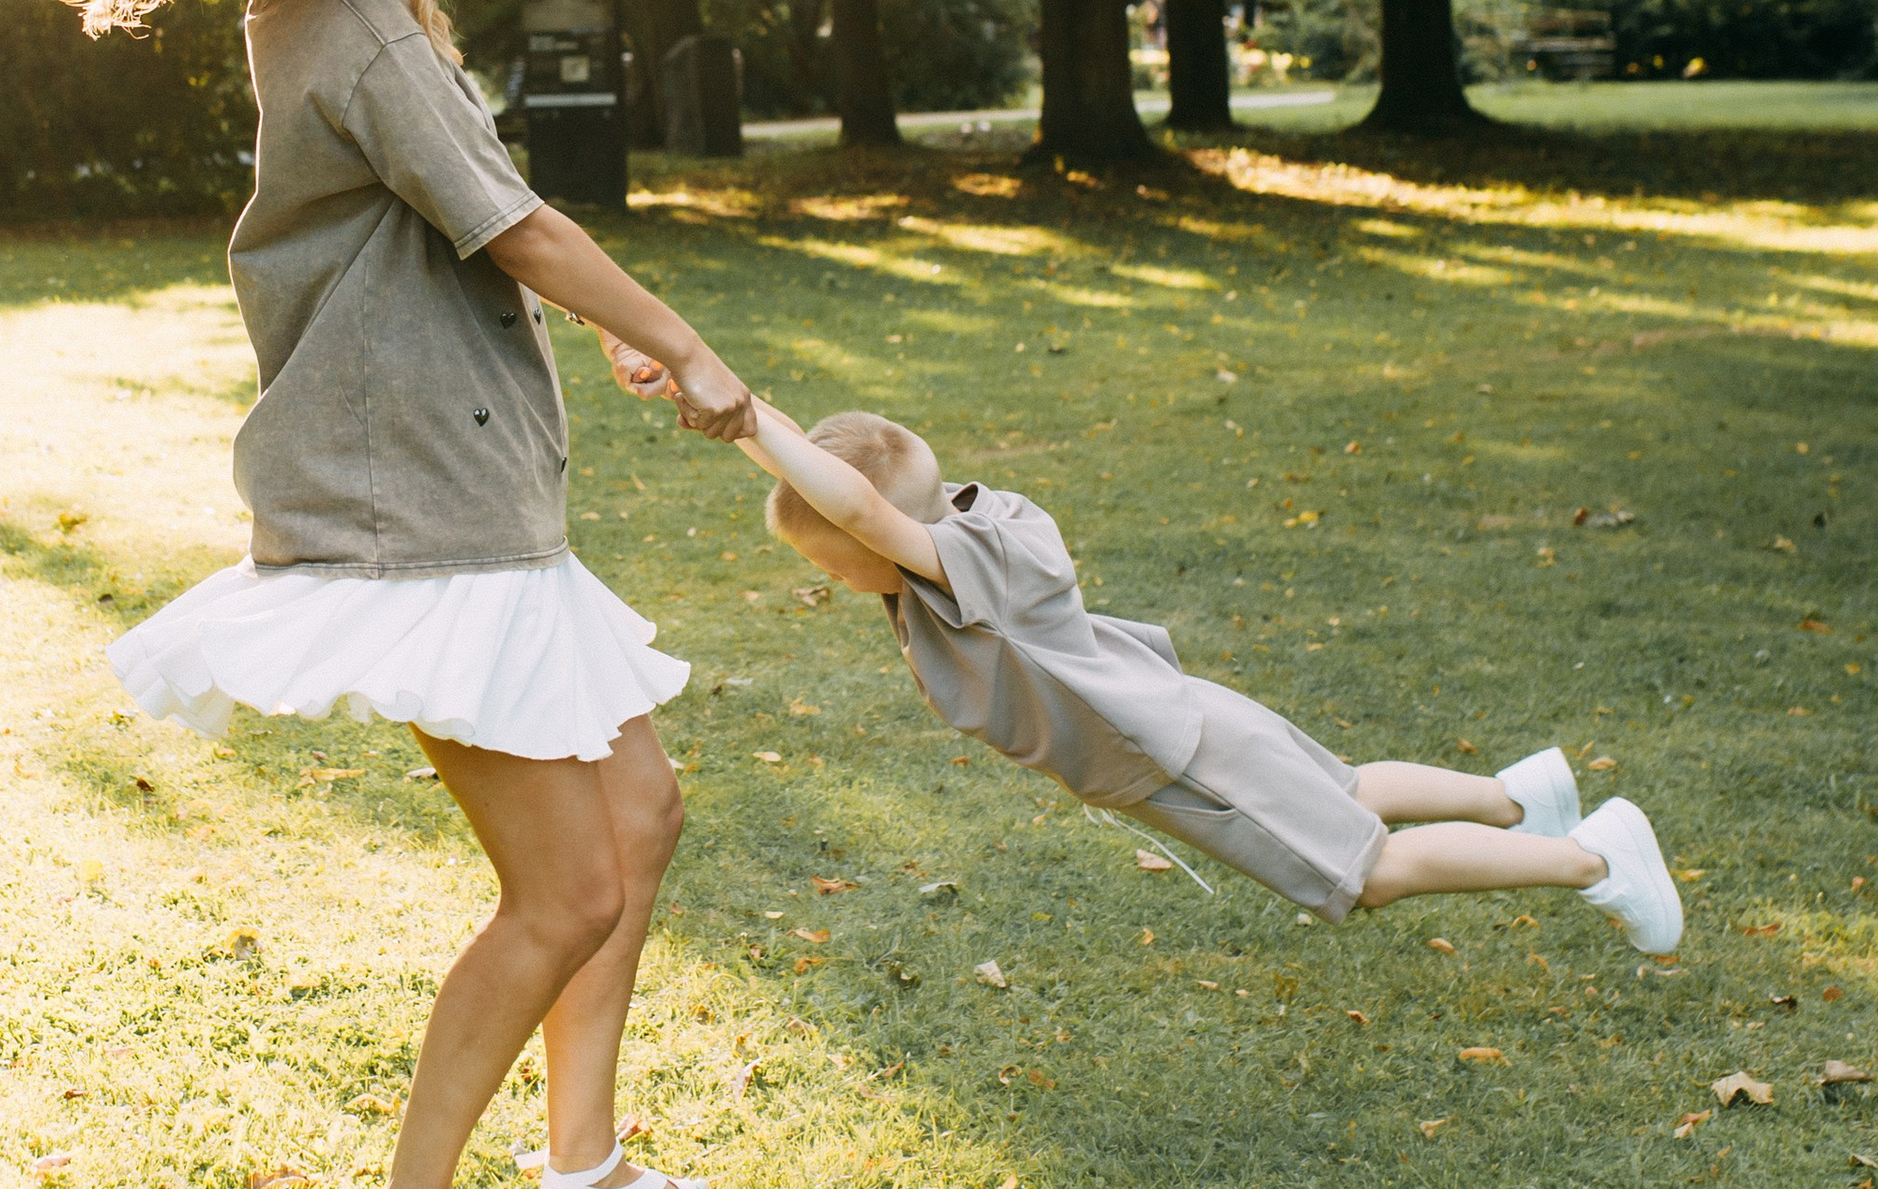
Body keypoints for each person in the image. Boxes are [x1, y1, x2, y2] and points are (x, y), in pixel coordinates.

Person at [6, 0, 750, 1189]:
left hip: (471, 510)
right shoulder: (350, 22)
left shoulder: (346, 22)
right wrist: (680, 343)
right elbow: (514, 224)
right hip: (420, 529)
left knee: (640, 813)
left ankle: (587, 1187)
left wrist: (602, 339)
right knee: (564, 888)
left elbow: (470, 219)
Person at [611, 360, 1681, 948]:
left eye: (828, 560)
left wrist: (741, 415)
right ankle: (1515, 798)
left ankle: (1593, 858)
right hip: (1187, 712)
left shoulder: (945, 568)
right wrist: (715, 390)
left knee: (1364, 871)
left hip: (1180, 757)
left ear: (865, 542)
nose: (832, 579)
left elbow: (844, 499)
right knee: (1348, 786)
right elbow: (841, 479)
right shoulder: (987, 521)